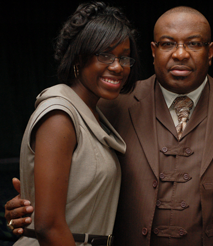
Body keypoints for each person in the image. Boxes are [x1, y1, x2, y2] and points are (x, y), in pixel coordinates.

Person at [5, 7, 213, 246]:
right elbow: (77, 179)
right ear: (152, 52)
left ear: (210, 52)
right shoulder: (109, 104)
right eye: (168, 43)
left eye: (193, 43)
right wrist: (31, 207)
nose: (180, 54)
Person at [9, 2, 140, 246]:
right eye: (105, 55)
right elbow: (48, 227)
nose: (117, 66)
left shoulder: (93, 114)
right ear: (79, 57)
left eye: (124, 57)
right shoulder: (60, 114)